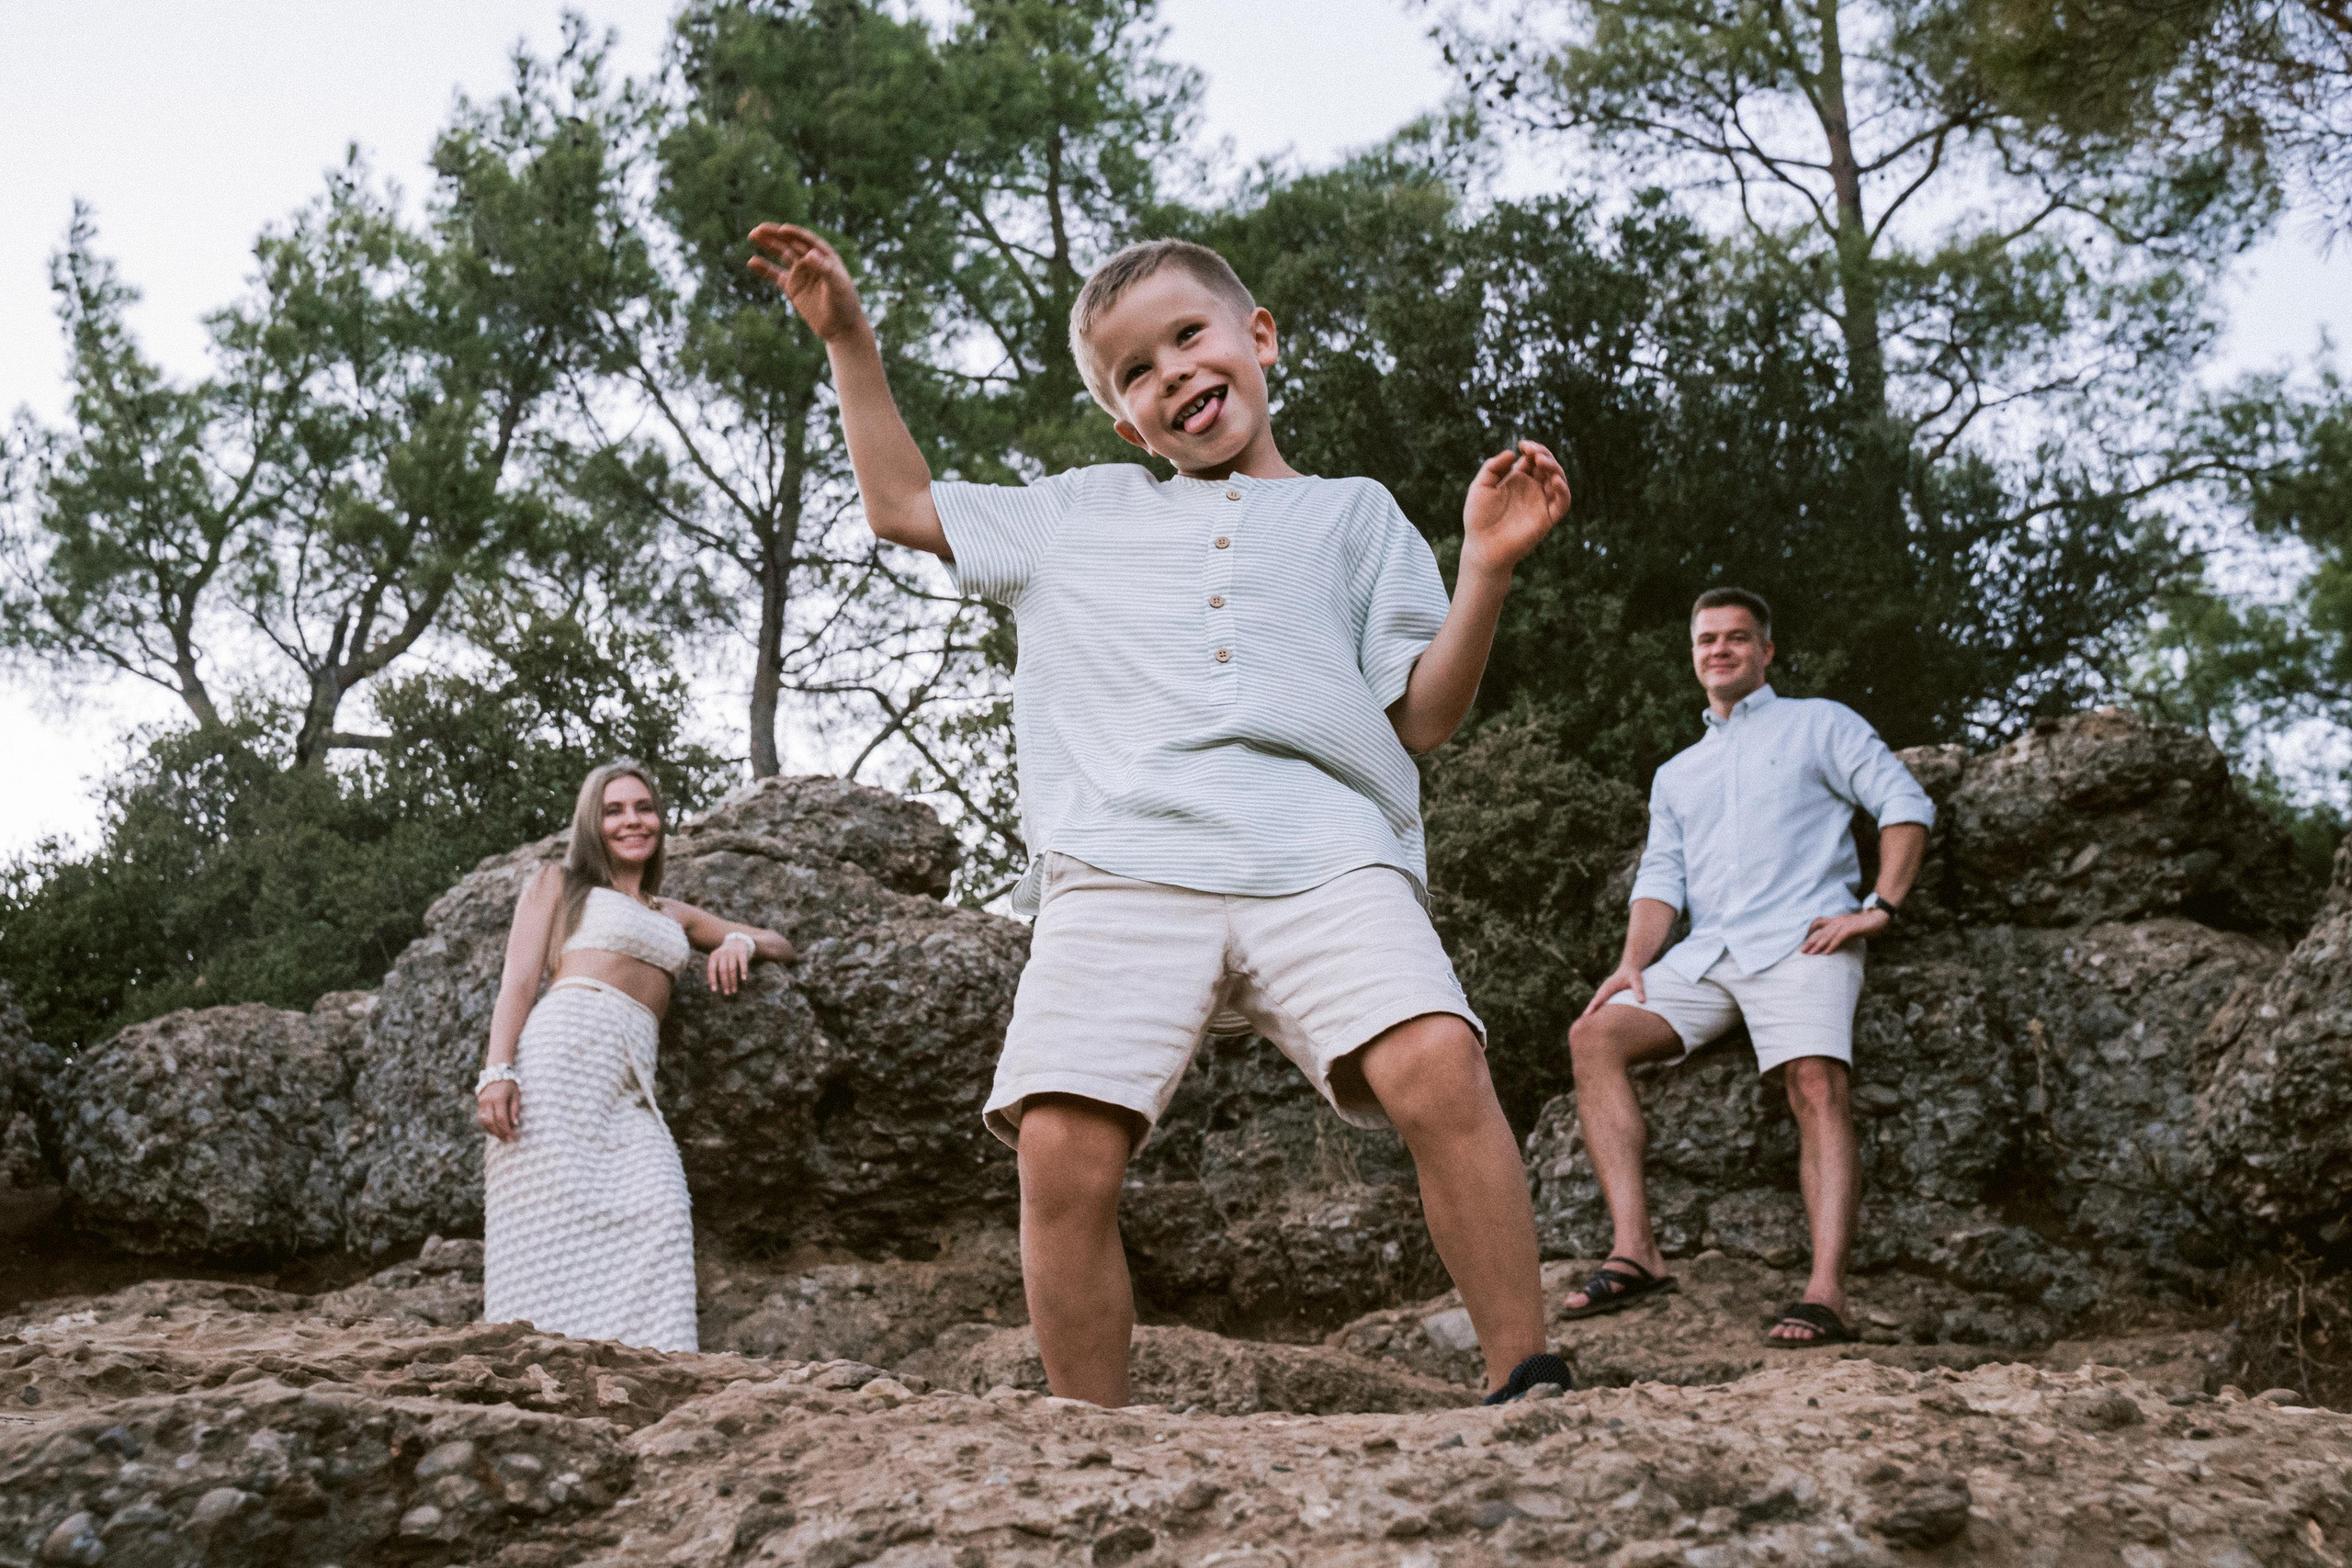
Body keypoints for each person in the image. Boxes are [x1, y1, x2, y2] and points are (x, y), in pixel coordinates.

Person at [747, 224, 1574, 1405]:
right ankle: (1093, 1436)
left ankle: (1524, 1377)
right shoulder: (1075, 514)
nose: (1174, 371)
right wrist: (849, 342)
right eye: (1135, 371)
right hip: (1122, 864)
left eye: (1190, 335)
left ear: (1259, 338)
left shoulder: (1353, 514)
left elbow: (1421, 719)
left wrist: (1483, 568)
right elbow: (901, 502)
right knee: (1058, 1149)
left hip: (1323, 853)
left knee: (1441, 1066)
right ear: (1124, 423)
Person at [1564, 589, 1932, 1344]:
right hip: (1708, 956)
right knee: (1592, 1035)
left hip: (1804, 941)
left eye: (1737, 638)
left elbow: (1904, 801)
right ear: (1694, 655)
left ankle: (1825, 1292)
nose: (1720, 650)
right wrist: (1634, 963)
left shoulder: (1819, 723)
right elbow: (1661, 880)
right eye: (1707, 640)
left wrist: (1880, 906)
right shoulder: (1679, 773)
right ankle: (1637, 1250)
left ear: (1766, 651)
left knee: (1816, 1084)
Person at [474, 759, 793, 1352]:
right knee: (542, 1228)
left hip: (628, 1086)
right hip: (557, 1064)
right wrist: (497, 1072)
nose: (632, 821)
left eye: (643, 808)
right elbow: (517, 982)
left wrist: (739, 940)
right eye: (615, 809)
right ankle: (538, 1372)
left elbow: (781, 943)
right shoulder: (558, 884)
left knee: (662, 1209)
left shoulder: (669, 912)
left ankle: (654, 1373)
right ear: (593, 822)